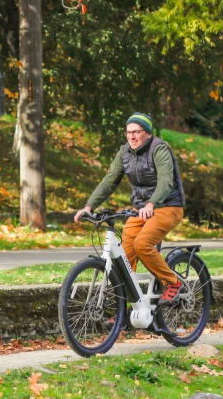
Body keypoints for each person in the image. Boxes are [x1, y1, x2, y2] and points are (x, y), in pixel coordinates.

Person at [74, 112, 185, 305]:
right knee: (124, 255)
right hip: (140, 209)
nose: (131, 136)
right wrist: (89, 206)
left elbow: (166, 182)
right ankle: (123, 310)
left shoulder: (159, 149)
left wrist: (152, 203)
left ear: (147, 134)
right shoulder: (125, 152)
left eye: (136, 132)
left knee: (142, 244)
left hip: (168, 206)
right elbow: (109, 181)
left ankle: (172, 282)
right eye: (128, 132)